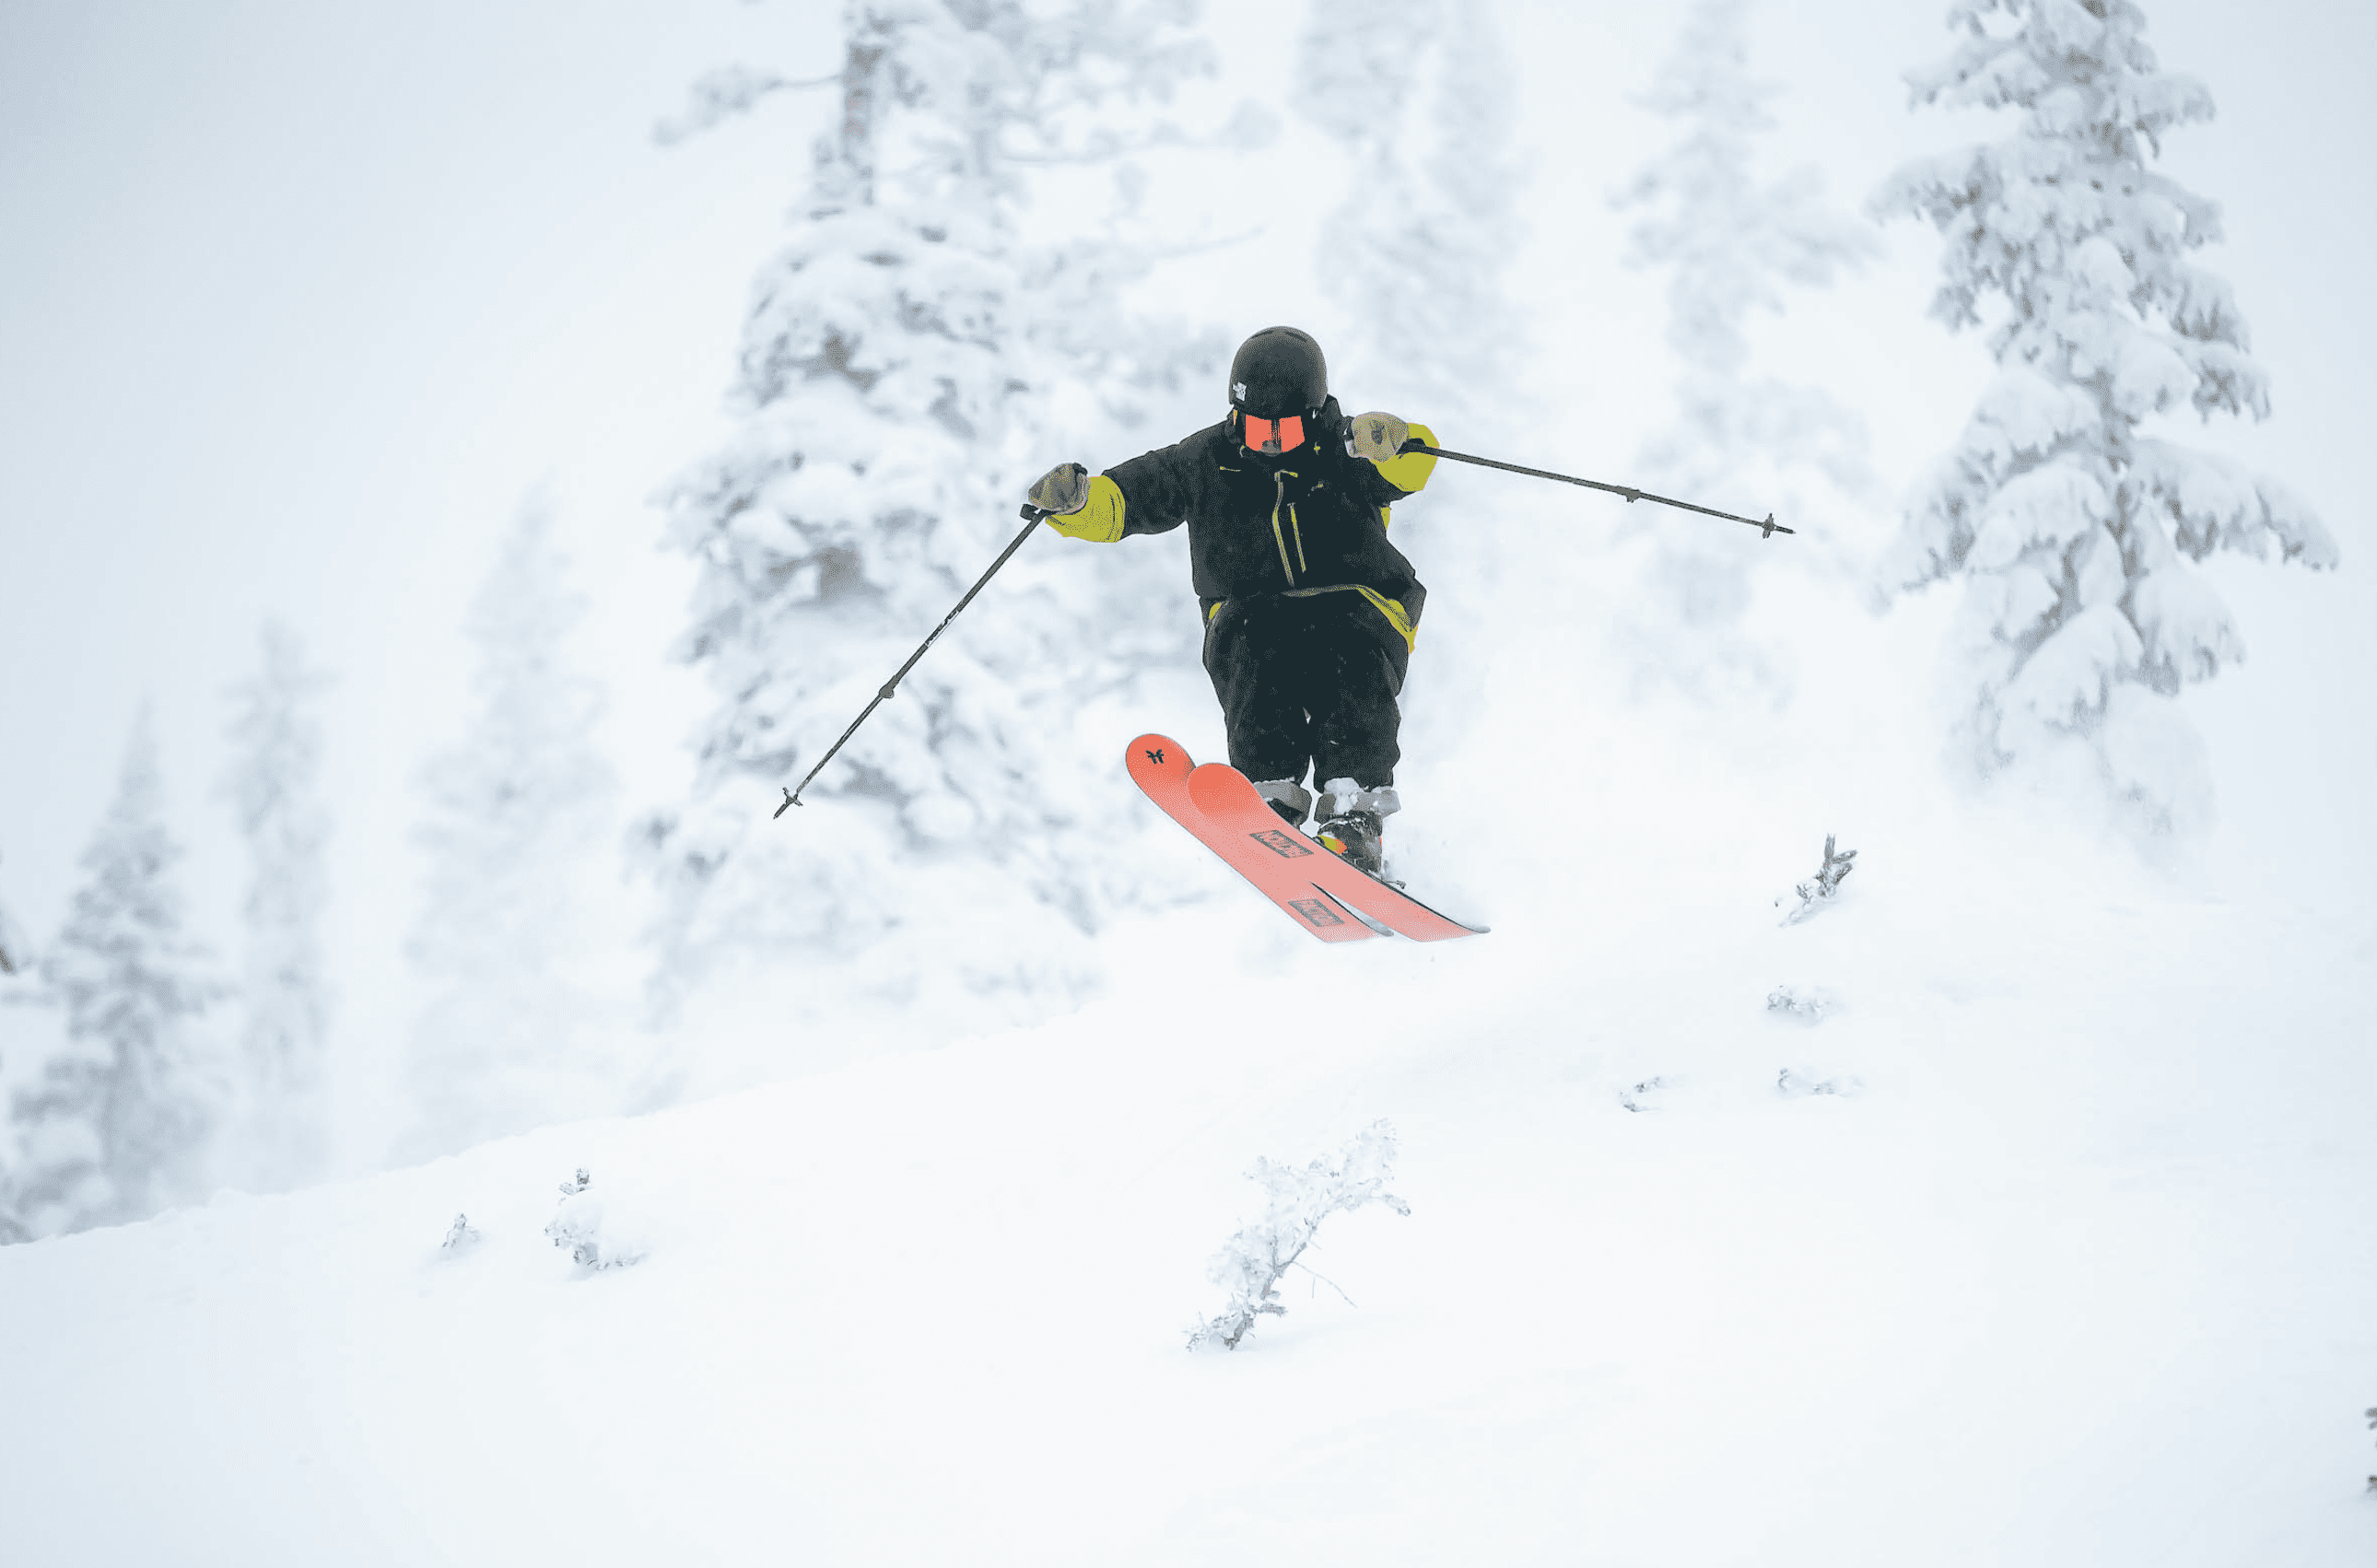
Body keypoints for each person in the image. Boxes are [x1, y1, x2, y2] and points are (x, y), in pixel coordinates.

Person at [1026, 325, 1436, 877]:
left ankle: (1353, 814)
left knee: (1350, 664)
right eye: (1257, 425)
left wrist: (1392, 438)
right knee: (1248, 650)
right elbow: (1123, 501)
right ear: (1235, 413)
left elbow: (1412, 460)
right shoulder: (1202, 462)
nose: (1269, 440)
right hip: (1256, 611)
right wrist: (1075, 502)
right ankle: (1268, 796)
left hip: (1356, 602)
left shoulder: (1346, 449)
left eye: (1285, 428)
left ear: (1314, 417)